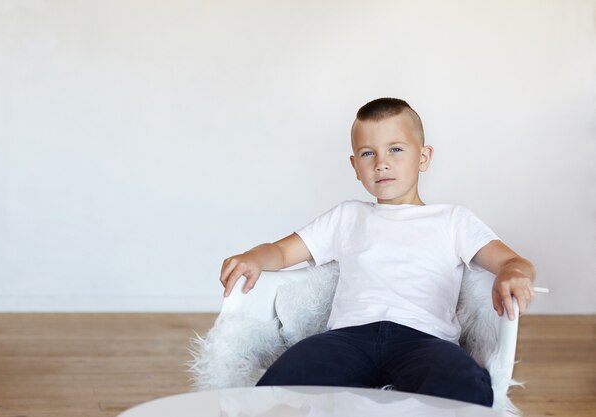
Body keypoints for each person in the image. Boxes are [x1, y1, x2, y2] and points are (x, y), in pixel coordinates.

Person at [219, 97, 536, 407]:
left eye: (396, 149)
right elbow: (282, 252)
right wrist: (255, 257)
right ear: (355, 166)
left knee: (466, 389)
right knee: (279, 387)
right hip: (346, 340)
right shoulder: (347, 216)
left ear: (423, 157)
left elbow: (511, 260)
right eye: (367, 153)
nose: (381, 162)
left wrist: (513, 274)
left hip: (424, 340)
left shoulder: (453, 220)